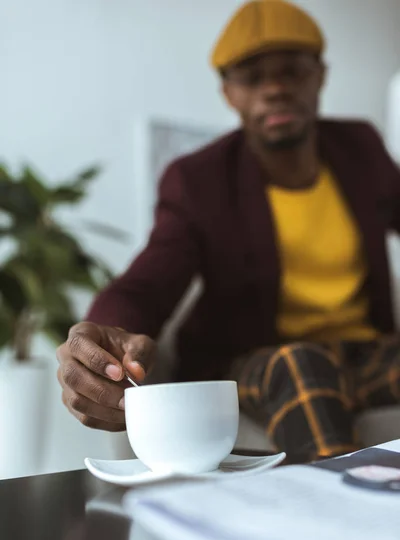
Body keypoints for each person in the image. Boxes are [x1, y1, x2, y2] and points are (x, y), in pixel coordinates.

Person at [56, 0, 400, 463]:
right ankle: (338, 523)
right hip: (261, 361)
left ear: (320, 76)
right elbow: (148, 281)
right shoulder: (199, 180)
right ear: (228, 93)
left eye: (292, 72)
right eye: (252, 77)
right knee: (301, 364)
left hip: (366, 354)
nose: (275, 89)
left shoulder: (359, 148)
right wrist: (107, 334)